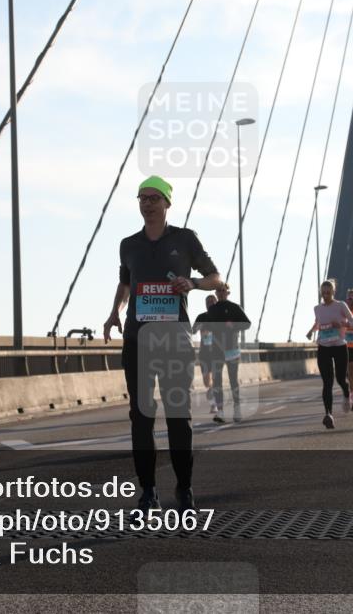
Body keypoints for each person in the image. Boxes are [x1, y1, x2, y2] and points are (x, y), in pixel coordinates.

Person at [103, 175, 223, 514]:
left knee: (177, 417)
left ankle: (184, 489)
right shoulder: (128, 244)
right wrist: (114, 313)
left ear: (167, 203)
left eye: (154, 198)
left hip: (174, 340)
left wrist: (194, 282)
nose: (147, 203)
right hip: (137, 339)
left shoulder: (185, 239)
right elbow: (125, 285)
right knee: (141, 416)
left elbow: (216, 277)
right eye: (142, 197)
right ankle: (148, 492)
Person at [306, 279, 353, 428]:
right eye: (323, 292)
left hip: (340, 346)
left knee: (341, 378)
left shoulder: (341, 305)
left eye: (328, 292)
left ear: (333, 292)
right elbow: (319, 322)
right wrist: (311, 331)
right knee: (327, 382)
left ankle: (347, 393)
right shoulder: (317, 308)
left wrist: (342, 324)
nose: (326, 295)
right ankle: (328, 414)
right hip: (324, 346)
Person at [204, 284, 251, 423]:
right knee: (217, 381)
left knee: (233, 380)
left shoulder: (235, 307)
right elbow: (207, 326)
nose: (221, 293)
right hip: (217, 350)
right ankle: (221, 412)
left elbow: (247, 324)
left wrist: (234, 325)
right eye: (219, 291)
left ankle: (237, 410)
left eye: (223, 290)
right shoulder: (212, 309)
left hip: (232, 349)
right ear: (216, 293)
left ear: (227, 292)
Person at [192, 295, 221, 412]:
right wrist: (200, 327)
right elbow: (193, 330)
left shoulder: (220, 317)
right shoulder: (201, 316)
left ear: (216, 303)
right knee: (206, 381)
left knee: (215, 377)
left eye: (212, 301)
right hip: (204, 353)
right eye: (207, 302)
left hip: (217, 353)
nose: (210, 304)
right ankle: (212, 391)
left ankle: (214, 404)